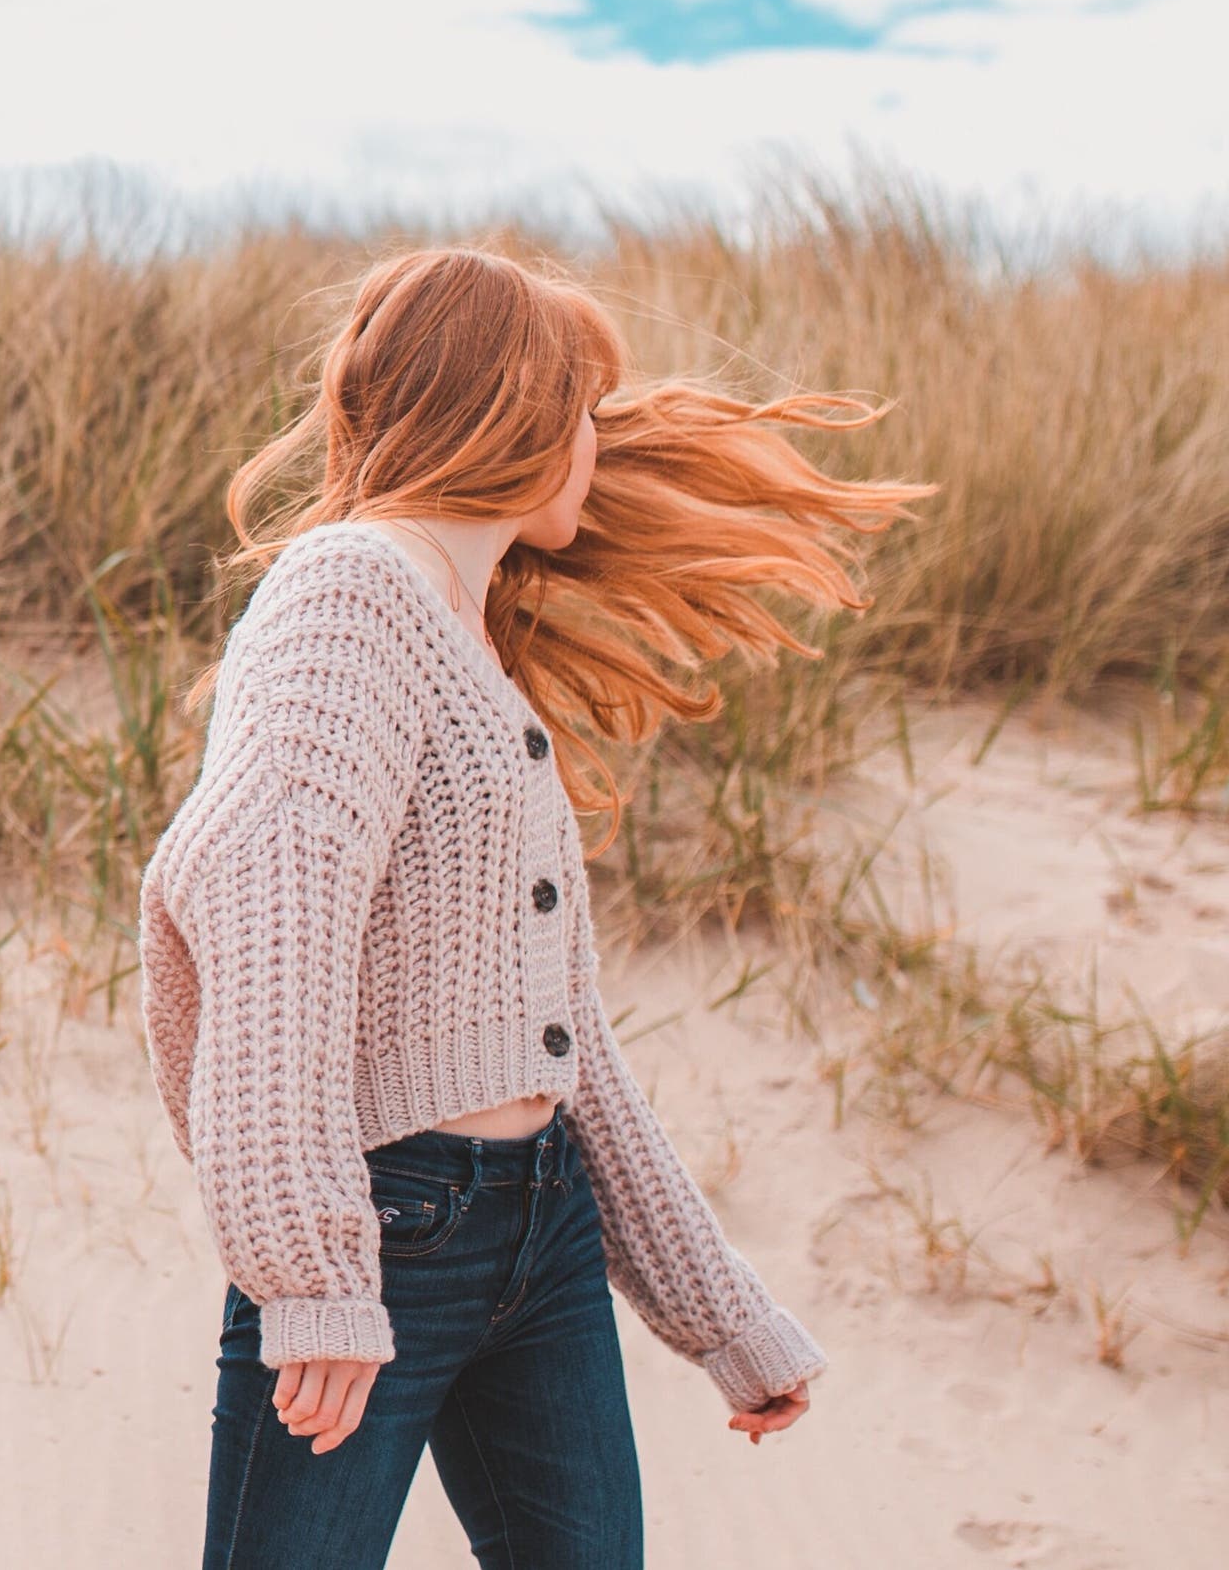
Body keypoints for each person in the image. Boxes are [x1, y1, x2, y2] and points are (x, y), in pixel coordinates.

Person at [140, 246, 926, 1570]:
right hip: (386, 1227)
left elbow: (562, 1041)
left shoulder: (461, 626)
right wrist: (314, 1274)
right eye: (581, 408)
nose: (595, 444)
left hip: (540, 1224)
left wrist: (719, 1320)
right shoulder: (349, 595)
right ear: (506, 409)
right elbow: (269, 923)